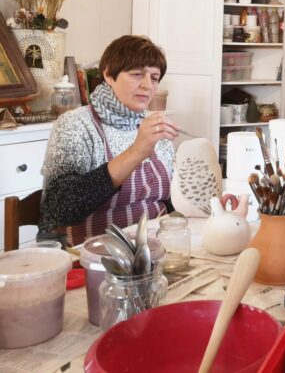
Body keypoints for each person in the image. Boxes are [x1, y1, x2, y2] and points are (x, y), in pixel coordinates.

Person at [40, 35, 180, 246]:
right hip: (91, 253)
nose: (147, 85)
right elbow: (59, 208)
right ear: (108, 74)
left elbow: (168, 201)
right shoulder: (75, 125)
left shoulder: (155, 127)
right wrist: (136, 151)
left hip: (152, 247)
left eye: (154, 77)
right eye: (137, 74)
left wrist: (207, 205)